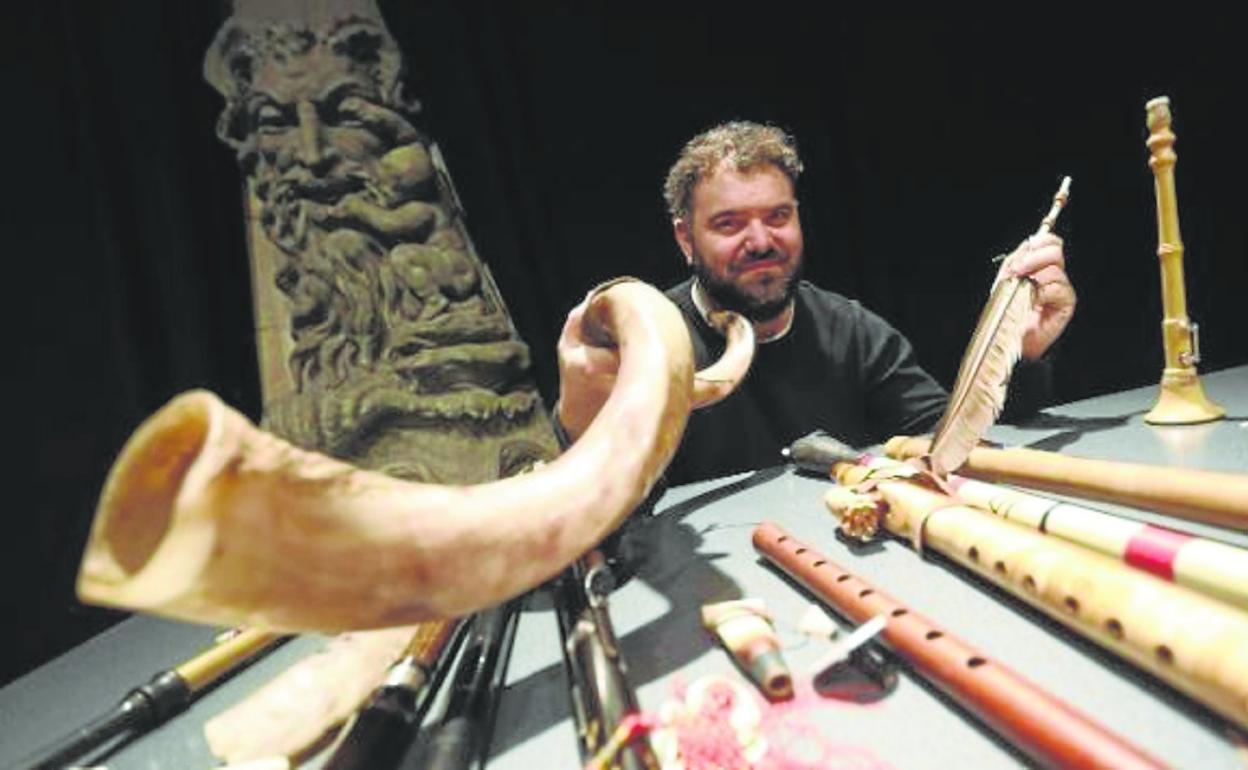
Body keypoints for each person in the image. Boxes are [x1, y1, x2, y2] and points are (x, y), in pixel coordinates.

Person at [557, 121, 1076, 485]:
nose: (761, 240)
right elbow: (596, 503)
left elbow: (951, 446)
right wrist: (577, 421)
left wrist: (1022, 353)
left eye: (777, 216)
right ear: (685, 240)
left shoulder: (853, 331)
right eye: (729, 224)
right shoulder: (647, 348)